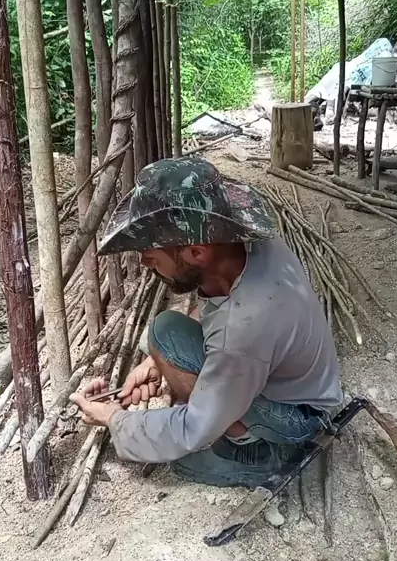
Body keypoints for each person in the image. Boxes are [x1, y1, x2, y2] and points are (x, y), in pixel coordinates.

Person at [70, 156, 343, 488]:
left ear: (197, 253)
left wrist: (114, 418)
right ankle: (244, 428)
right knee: (165, 331)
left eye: (151, 255)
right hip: (292, 382)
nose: (144, 263)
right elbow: (216, 307)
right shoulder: (246, 250)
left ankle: (257, 454)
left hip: (298, 418)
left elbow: (194, 427)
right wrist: (153, 364)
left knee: (187, 457)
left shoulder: (245, 327)